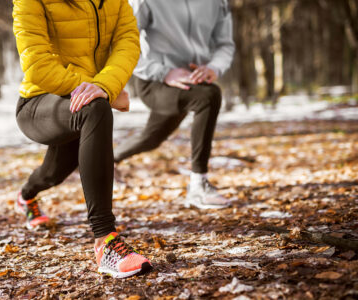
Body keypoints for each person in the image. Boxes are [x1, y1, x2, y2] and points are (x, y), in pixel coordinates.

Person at [12, 0, 151, 278]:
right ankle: (106, 241)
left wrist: (104, 86)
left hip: (88, 98)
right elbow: (37, 64)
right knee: (94, 108)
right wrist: (95, 90)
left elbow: (128, 42)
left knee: (52, 174)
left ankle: (26, 196)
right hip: (39, 103)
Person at [115, 0, 236, 209]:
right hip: (155, 82)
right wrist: (164, 73)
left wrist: (214, 68)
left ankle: (110, 158)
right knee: (209, 96)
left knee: (151, 138)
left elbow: (225, 44)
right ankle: (198, 185)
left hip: (192, 82)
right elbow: (122, 43)